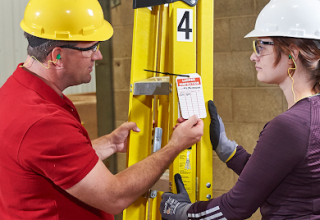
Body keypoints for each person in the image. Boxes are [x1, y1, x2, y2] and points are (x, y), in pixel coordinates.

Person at [0, 0, 204, 219]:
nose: (98, 56)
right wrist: (175, 145)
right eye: (91, 48)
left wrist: (110, 143)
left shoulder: (14, 93)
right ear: (57, 56)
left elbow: (53, 162)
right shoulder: (45, 121)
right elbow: (114, 197)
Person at [160, 0, 320, 219]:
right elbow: (276, 179)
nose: (253, 55)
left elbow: (234, 208)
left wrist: (181, 212)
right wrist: (227, 149)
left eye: (260, 46)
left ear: (292, 53)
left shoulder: (289, 126)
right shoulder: (311, 117)